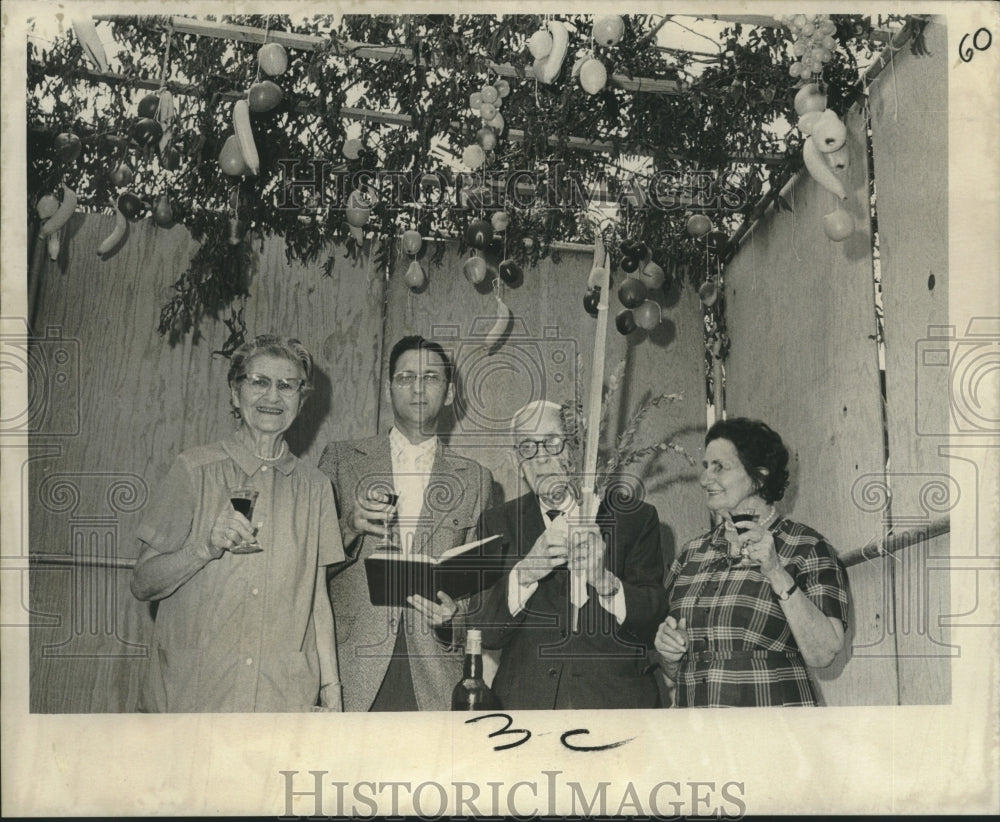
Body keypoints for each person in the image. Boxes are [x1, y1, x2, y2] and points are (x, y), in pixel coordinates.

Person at [131, 335, 343, 712]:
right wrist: (204, 548)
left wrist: (331, 690)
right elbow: (143, 583)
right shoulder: (193, 471)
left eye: (286, 385)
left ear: (301, 399)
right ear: (235, 391)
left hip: (281, 700)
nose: (272, 397)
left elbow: (318, 601)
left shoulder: (316, 488)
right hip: (194, 697)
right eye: (259, 381)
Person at [318, 336, 494, 711]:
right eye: (405, 377)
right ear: (388, 390)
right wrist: (349, 526)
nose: (417, 388)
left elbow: (484, 591)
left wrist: (455, 618)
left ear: (448, 394)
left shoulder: (476, 478)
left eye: (430, 377)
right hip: (352, 666)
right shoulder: (341, 459)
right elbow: (306, 566)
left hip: (435, 670)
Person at [472, 400, 669, 710]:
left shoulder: (634, 518)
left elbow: (654, 620)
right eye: (527, 447)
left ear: (575, 448)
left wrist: (605, 582)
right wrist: (523, 576)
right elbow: (484, 631)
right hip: (525, 709)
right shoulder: (497, 524)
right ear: (515, 461)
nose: (540, 459)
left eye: (552, 443)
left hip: (615, 707)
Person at [655, 417, 849, 707]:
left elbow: (823, 654)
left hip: (773, 733)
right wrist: (670, 654)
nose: (705, 478)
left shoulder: (807, 547)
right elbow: (671, 670)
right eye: (706, 466)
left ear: (759, 477)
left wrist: (775, 570)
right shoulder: (691, 554)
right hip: (697, 735)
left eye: (720, 467)